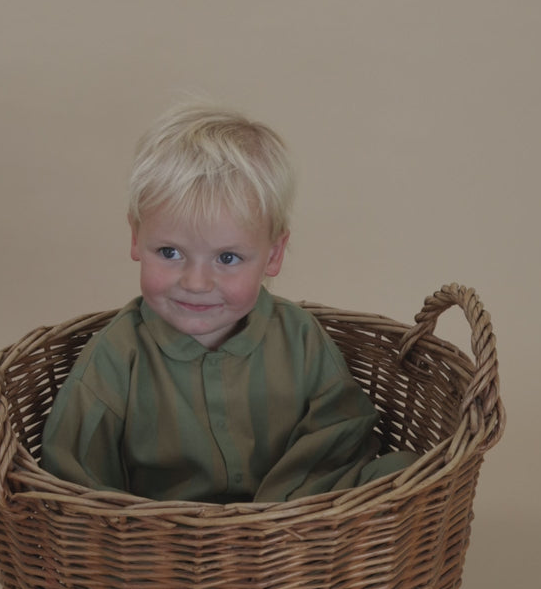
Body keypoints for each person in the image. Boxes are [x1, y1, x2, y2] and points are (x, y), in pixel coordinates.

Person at [40, 103, 417, 503]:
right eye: (169, 252)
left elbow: (342, 432)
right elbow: (74, 474)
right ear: (136, 238)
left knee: (406, 473)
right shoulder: (117, 358)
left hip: (295, 535)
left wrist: (272, 516)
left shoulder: (300, 337)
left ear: (273, 254)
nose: (196, 283)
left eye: (227, 258)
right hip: (167, 546)